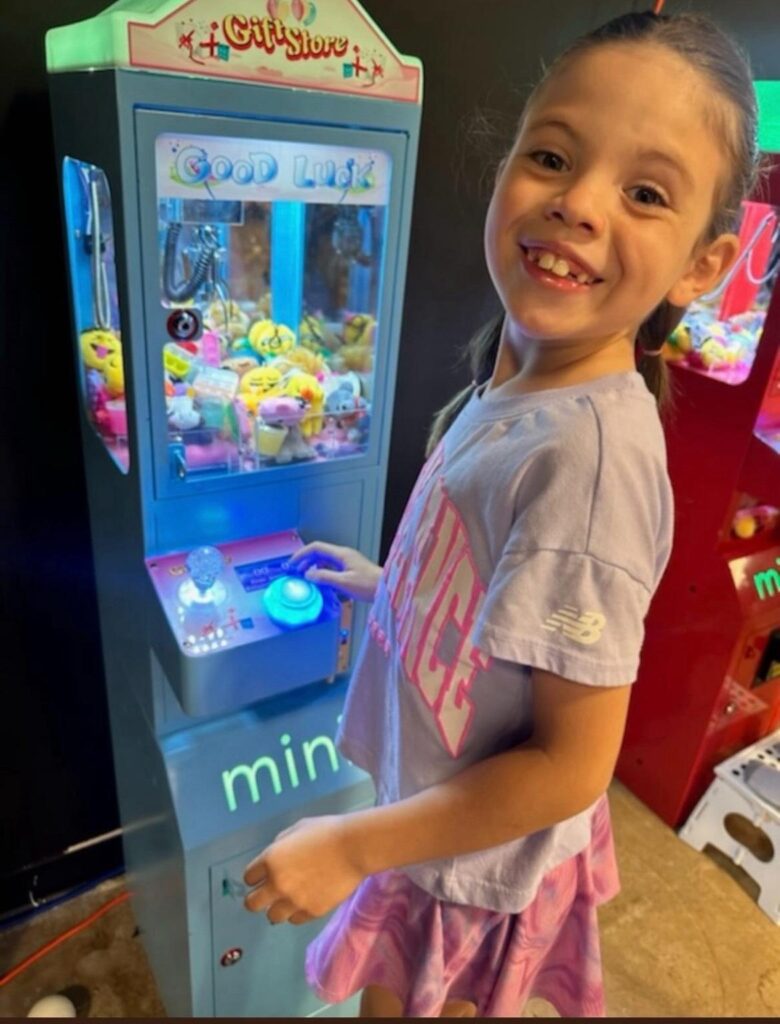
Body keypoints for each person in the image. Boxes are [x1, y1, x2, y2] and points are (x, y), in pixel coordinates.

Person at [243, 6, 763, 1017]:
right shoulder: (518, 374)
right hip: (434, 812)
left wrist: (352, 845)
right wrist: (386, 584)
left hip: (467, 869)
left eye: (646, 192)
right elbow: (491, 582)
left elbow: (572, 763)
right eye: (554, 155)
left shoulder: (591, 462)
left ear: (703, 265)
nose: (578, 204)